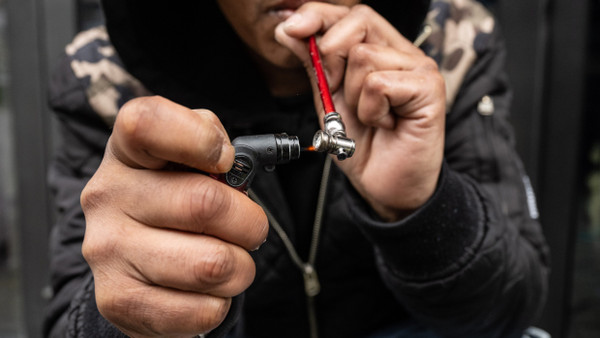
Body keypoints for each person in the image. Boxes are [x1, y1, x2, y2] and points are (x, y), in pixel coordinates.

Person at [43, 0, 550, 337]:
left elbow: (512, 307)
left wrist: (422, 208)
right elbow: (72, 318)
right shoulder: (104, 79)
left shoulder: (450, 43)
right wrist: (139, 310)